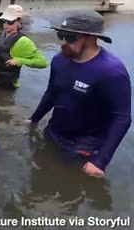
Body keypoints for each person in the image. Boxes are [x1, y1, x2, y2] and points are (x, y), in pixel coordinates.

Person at [28, 12, 131, 178]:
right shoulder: (59, 61)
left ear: (91, 38)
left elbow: (122, 118)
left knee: (69, 192)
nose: (62, 42)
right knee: (40, 176)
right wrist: (33, 120)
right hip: (54, 132)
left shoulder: (112, 72)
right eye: (60, 35)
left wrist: (100, 161)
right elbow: (51, 93)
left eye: (69, 37)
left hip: (84, 144)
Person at [0, 5, 47, 89]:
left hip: (8, 85)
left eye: (10, 21)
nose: (6, 24)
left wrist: (20, 60)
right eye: (4, 21)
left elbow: (43, 63)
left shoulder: (24, 42)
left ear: (18, 21)